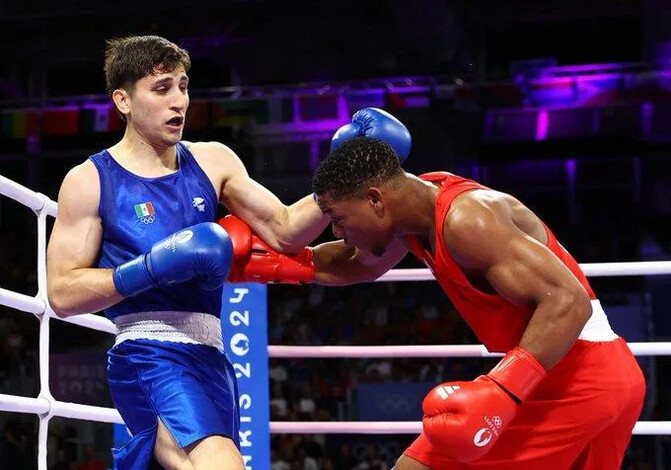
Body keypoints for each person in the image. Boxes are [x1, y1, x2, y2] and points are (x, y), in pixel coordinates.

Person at [306, 108, 646, 468]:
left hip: (578, 377)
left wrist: (502, 389)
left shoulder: (467, 221)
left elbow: (568, 301)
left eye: (339, 219)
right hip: (574, 373)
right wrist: (274, 265)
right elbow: (354, 264)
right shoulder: (411, 215)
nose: (338, 233)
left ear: (375, 200)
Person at [46, 35, 326, 470]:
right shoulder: (90, 180)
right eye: (162, 89)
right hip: (147, 348)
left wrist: (342, 181)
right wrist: (152, 269)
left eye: (183, 86)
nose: (179, 101)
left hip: (211, 355)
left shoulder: (214, 160)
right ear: (123, 100)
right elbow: (62, 293)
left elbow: (286, 229)